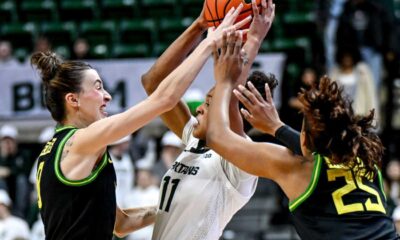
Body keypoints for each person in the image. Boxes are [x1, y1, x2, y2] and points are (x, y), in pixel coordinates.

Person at [31, 7, 243, 238]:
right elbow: (164, 99)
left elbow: (121, 224)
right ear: (73, 100)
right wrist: (208, 44)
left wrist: (176, 205)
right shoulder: (80, 141)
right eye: (98, 87)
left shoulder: (62, 148)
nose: (107, 96)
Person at [207, 56, 398, 239]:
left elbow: (216, 137)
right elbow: (317, 150)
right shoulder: (365, 161)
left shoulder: (296, 168)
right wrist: (277, 128)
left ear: (305, 140)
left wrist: (224, 80)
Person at [142, 0, 275, 239]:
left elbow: (231, 92)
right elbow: (154, 84)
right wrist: (199, 25)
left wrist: (254, 41)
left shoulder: (236, 162)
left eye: (209, 104)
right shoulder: (194, 139)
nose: (199, 109)